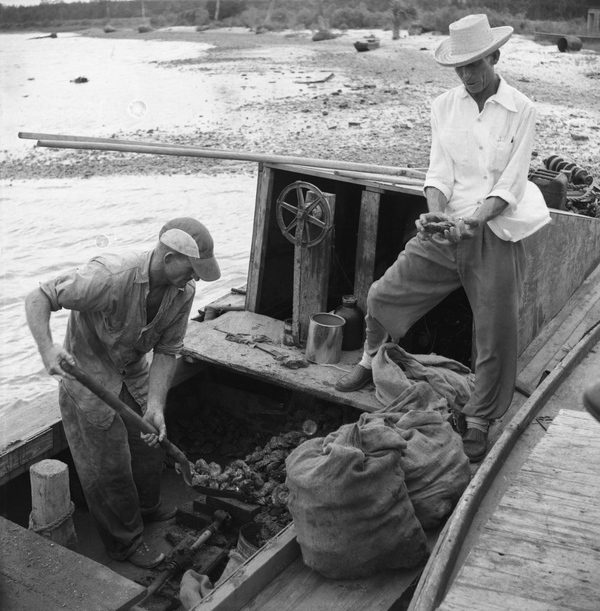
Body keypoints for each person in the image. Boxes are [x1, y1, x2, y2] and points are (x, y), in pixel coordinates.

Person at [336, 14, 551, 462]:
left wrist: (474, 220)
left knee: (496, 331)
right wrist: (434, 215)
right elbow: (439, 174)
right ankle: (368, 357)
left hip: (493, 229)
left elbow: (510, 185)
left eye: (475, 65)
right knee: (382, 294)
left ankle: (479, 418)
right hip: (447, 225)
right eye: (460, 67)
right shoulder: (443, 106)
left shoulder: (523, 110)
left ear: (495, 56)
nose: (467, 75)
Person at [25, 217, 220, 568]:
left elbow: (167, 350)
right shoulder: (110, 276)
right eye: (191, 270)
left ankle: (147, 510)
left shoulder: (182, 293)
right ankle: (125, 545)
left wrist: (156, 406)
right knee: (109, 467)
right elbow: (39, 296)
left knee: (151, 446)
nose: (194, 279)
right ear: (169, 258)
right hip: (88, 377)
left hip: (132, 373)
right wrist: (47, 349)